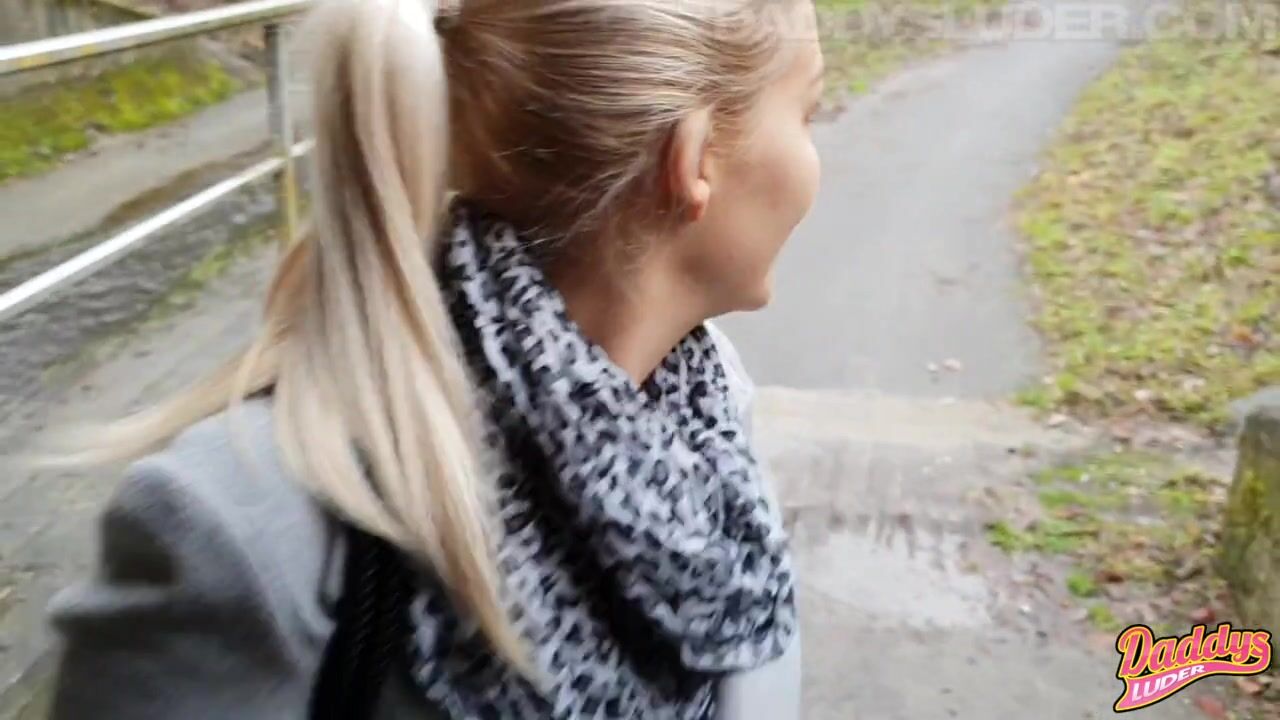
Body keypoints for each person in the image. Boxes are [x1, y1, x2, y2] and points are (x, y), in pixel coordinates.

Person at [42, 0, 824, 716]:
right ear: (696, 160)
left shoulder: (706, 412)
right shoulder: (240, 533)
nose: (815, 156)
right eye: (806, 112)